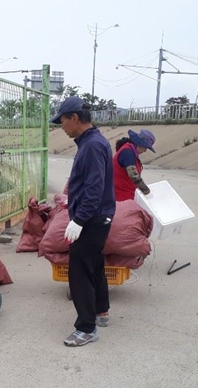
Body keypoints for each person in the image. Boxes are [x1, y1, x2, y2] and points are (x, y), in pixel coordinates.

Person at [51, 96, 116, 347]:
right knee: (95, 264)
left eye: (63, 121)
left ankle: (86, 328)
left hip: (92, 219)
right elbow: (88, 184)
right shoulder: (92, 142)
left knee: (78, 271)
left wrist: (78, 219)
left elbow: (94, 188)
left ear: (75, 118)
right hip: (97, 216)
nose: (62, 126)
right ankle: (101, 310)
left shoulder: (91, 146)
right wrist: (73, 202)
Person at [112, 129, 156, 201]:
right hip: (121, 196)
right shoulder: (128, 153)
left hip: (126, 194)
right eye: (145, 147)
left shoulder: (130, 152)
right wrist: (147, 192)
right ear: (140, 143)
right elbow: (134, 176)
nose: (145, 150)